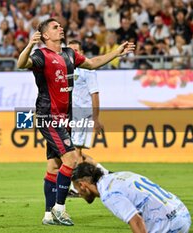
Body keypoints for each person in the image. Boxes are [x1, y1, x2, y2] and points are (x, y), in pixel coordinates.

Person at [17, 18, 135, 226]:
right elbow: (21, 63)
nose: (60, 28)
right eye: (55, 27)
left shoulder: (69, 54)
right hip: (49, 116)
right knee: (71, 160)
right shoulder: (41, 55)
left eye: (60, 26)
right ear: (45, 35)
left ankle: (47, 215)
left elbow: (92, 63)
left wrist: (117, 52)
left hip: (65, 118)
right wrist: (29, 45)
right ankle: (60, 210)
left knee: (54, 167)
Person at [72, 162, 191, 233]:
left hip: (168, 224)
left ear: (82, 185)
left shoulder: (108, 194)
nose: (78, 193)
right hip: (182, 212)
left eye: (76, 188)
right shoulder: (120, 174)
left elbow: (137, 221)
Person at [67, 40, 109, 196]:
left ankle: (76, 187)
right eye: (69, 51)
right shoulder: (66, 70)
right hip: (71, 115)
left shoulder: (88, 70)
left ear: (81, 53)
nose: (72, 54)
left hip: (82, 114)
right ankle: (104, 172)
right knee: (72, 151)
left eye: (76, 50)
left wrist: (96, 119)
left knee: (74, 151)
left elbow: (95, 94)